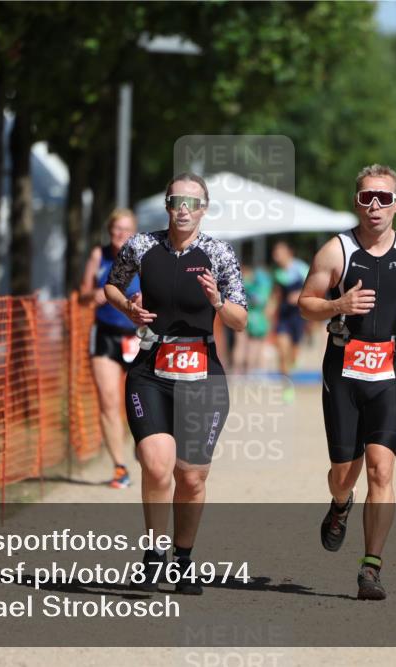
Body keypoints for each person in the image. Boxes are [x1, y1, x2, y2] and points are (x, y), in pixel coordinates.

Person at [298, 164, 396, 601]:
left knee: (382, 468)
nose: (374, 206)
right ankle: (341, 504)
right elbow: (305, 304)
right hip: (342, 373)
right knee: (345, 473)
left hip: (387, 373)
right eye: (366, 198)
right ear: (356, 201)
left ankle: (371, 567)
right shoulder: (335, 251)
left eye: (383, 197)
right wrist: (337, 303)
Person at [104, 172, 247, 595]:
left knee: (191, 477)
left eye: (192, 203)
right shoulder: (141, 246)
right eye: (175, 201)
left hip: (202, 370)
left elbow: (240, 320)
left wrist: (218, 301)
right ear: (167, 206)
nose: (183, 210)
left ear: (204, 208)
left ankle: (183, 560)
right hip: (151, 366)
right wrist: (129, 308)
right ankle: (153, 555)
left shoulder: (219, 254)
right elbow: (111, 286)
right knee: (155, 463)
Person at [78, 209, 139, 489]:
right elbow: (82, 296)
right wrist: (96, 295)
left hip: (138, 335)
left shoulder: (143, 258)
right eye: (116, 229)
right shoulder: (98, 255)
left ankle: (146, 445)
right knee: (109, 401)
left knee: (142, 400)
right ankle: (119, 467)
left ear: (134, 233)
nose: (120, 234)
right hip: (104, 335)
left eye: (126, 230)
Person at [271, 241, 310, 401]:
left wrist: (300, 294)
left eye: (279, 252)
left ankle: (293, 360)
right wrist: (270, 308)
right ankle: (287, 386)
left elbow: (315, 287)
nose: (276, 256)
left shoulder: (301, 268)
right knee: (281, 350)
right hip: (284, 316)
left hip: (298, 316)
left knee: (293, 354)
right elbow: (277, 294)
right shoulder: (277, 272)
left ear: (289, 253)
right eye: (275, 253)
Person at [232, 263, 273, 374]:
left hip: (240, 314)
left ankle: (237, 371)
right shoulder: (260, 287)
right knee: (253, 345)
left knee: (240, 344)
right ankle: (249, 370)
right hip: (255, 317)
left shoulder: (239, 285)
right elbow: (263, 303)